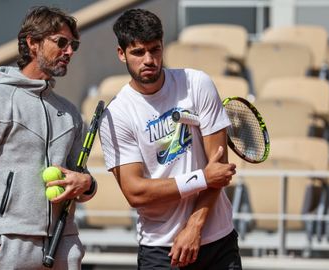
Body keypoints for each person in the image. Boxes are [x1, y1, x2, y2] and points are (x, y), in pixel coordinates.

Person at [98, 8, 242, 269]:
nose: (149, 60)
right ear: (121, 54)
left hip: (217, 241)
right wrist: (201, 178)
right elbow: (135, 192)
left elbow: (218, 171)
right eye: (138, 52)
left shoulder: (197, 84)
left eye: (155, 49)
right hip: (160, 249)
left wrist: (194, 227)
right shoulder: (116, 114)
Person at [0, 6, 97, 270]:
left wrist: (87, 184)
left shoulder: (70, 113)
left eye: (73, 44)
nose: (69, 51)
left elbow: (82, 179)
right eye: (61, 42)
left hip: (64, 247)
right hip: (9, 248)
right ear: (33, 43)